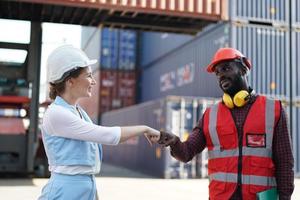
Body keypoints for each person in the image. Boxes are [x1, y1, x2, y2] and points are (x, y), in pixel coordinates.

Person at [156, 48, 294, 200]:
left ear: (243, 69)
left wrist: (285, 197)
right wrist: (175, 142)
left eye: (226, 68)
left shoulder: (273, 110)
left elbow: (285, 162)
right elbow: (187, 152)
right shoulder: (210, 115)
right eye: (217, 72)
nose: (221, 75)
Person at [38, 45, 160, 200]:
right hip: (65, 191)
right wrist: (144, 129)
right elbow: (107, 135)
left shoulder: (78, 111)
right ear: (70, 81)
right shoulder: (56, 114)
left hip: (85, 187)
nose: (94, 81)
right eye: (89, 76)